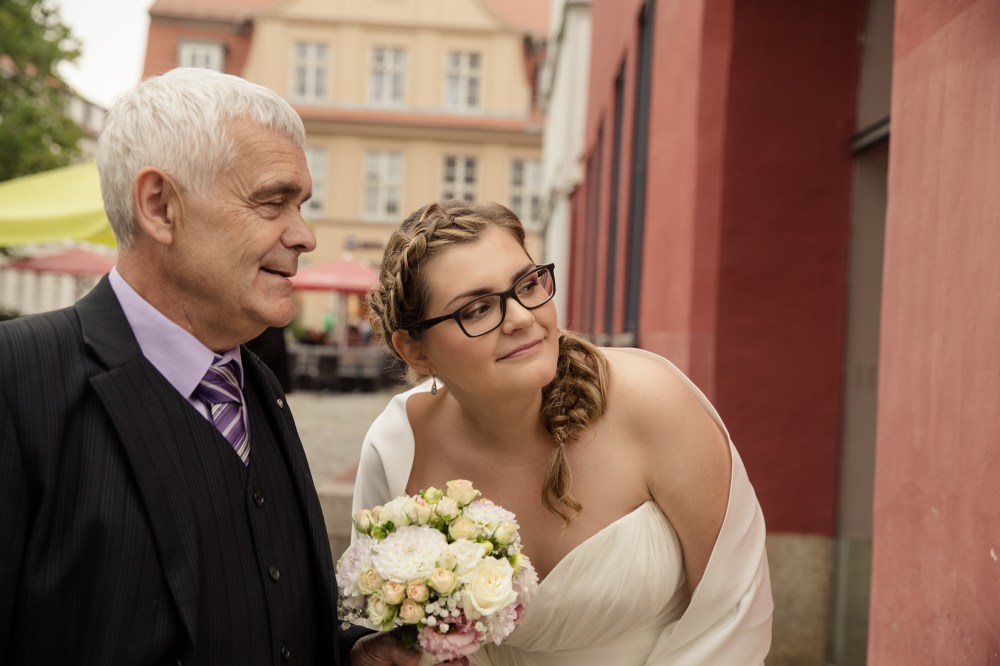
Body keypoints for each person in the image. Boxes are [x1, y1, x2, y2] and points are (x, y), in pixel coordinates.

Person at [0, 68, 456, 666]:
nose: (305, 235)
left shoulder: (256, 387)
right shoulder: (17, 381)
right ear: (160, 206)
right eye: (273, 202)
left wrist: (352, 656)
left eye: (302, 205)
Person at [355, 200, 773, 665]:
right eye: (476, 309)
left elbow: (734, 609)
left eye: (528, 285)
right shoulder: (398, 449)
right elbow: (392, 637)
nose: (520, 317)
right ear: (415, 350)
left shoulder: (654, 403)